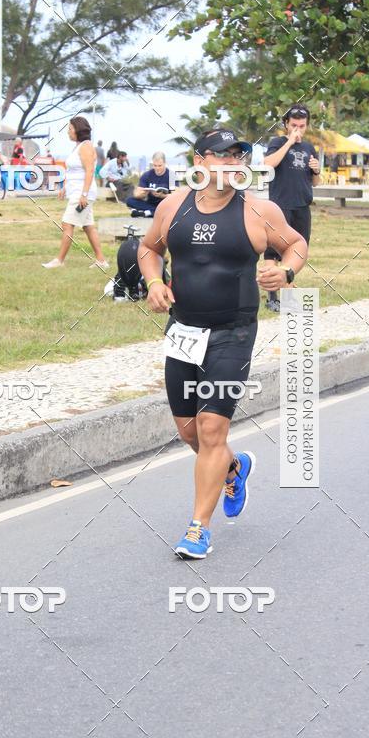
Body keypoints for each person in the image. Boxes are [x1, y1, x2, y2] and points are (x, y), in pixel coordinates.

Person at [138, 128, 308, 559]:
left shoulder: (257, 209)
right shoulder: (174, 206)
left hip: (233, 333)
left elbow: (296, 245)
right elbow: (147, 248)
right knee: (189, 431)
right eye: (224, 156)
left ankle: (198, 528)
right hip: (183, 331)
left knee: (213, 428)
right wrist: (154, 281)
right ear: (200, 162)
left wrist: (286, 273)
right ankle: (234, 467)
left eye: (240, 157)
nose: (234, 164)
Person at [262, 105, 319, 311]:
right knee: (272, 253)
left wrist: (316, 170)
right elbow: (268, 164)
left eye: (302, 126)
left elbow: (315, 182)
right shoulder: (277, 142)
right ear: (286, 124)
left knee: (297, 249)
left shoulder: (309, 148)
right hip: (279, 206)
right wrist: (289, 142)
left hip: (302, 205)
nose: (298, 129)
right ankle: (272, 297)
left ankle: (287, 290)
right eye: (294, 125)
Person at [42, 116, 108, 270]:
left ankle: (59, 260)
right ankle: (101, 261)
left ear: (78, 130)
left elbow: (90, 171)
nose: (68, 132)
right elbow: (73, 171)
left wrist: (84, 194)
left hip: (82, 195)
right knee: (88, 226)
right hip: (76, 192)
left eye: (70, 129)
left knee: (67, 224)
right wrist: (65, 187)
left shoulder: (85, 147)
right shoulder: (78, 146)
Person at [126, 152, 171, 217]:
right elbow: (136, 194)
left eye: (160, 166)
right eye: (155, 165)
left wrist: (163, 196)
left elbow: (176, 196)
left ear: (165, 163)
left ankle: (145, 213)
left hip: (165, 204)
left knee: (172, 208)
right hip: (150, 203)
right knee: (130, 201)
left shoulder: (171, 176)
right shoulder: (147, 175)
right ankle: (152, 212)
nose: (157, 168)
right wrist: (142, 194)